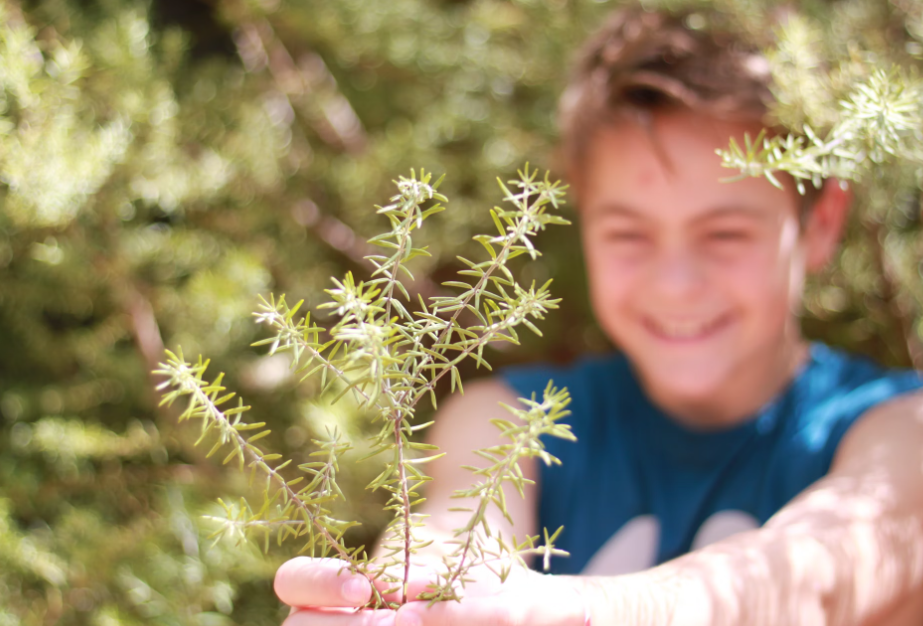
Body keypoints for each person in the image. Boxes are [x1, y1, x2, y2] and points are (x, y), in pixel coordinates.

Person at [272, 7, 923, 626]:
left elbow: (824, 569)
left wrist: (589, 612)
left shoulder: (900, 430)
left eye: (724, 234)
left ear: (820, 224)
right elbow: (456, 529)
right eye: (628, 234)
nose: (675, 285)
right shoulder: (509, 417)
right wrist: (401, 601)